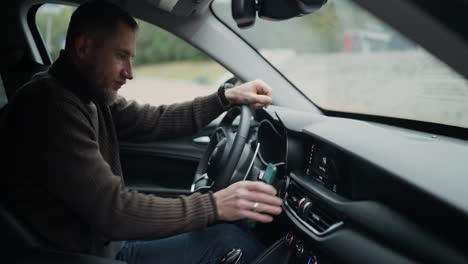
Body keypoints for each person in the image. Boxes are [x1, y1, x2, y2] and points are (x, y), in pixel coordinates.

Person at [0, 0, 283, 263]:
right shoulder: (51, 106)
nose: (130, 72)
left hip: (104, 242)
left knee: (224, 231)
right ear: (83, 48)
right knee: (229, 241)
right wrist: (214, 205)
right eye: (121, 56)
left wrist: (225, 98)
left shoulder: (85, 94)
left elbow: (155, 121)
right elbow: (115, 211)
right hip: (88, 255)